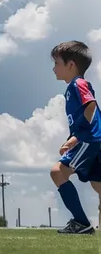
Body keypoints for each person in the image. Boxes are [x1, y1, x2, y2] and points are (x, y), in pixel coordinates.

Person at [50, 40, 101, 235]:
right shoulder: (74, 87)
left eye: (57, 63)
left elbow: (91, 106)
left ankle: (81, 223)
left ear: (71, 65)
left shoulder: (77, 84)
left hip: (90, 140)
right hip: (94, 140)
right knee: (98, 185)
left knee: (57, 172)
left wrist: (76, 138)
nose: (54, 68)